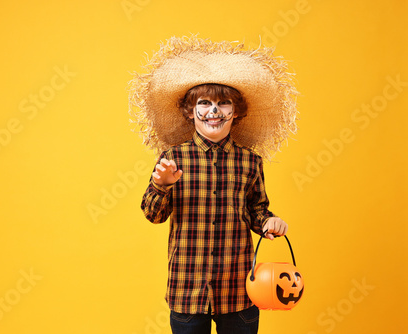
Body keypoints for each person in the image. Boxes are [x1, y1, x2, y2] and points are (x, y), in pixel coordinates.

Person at [128, 35, 298, 334]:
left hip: (239, 293)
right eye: (204, 103)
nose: (213, 111)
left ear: (236, 111)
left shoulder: (250, 162)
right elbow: (153, 215)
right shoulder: (172, 158)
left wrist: (269, 221)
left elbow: (256, 210)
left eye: (223, 103)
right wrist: (162, 185)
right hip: (187, 291)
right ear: (190, 111)